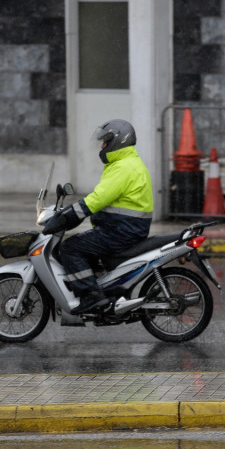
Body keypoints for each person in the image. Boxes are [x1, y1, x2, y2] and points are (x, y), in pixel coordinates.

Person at [42, 119, 154, 314]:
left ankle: (91, 296)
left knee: (71, 248)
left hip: (122, 231)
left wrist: (69, 215)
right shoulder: (126, 163)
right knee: (86, 247)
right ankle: (102, 289)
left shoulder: (124, 167)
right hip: (124, 228)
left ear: (118, 141)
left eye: (105, 141)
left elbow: (98, 199)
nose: (102, 146)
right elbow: (102, 198)